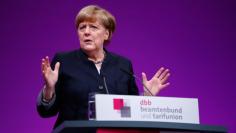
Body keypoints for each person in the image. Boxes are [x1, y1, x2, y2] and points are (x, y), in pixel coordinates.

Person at [37, 5, 170, 131]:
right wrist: (49, 88)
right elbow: (46, 111)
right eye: (82, 27)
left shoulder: (123, 65)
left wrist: (146, 97)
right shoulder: (64, 61)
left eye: (93, 27)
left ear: (106, 34)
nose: (86, 32)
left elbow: (131, 113)